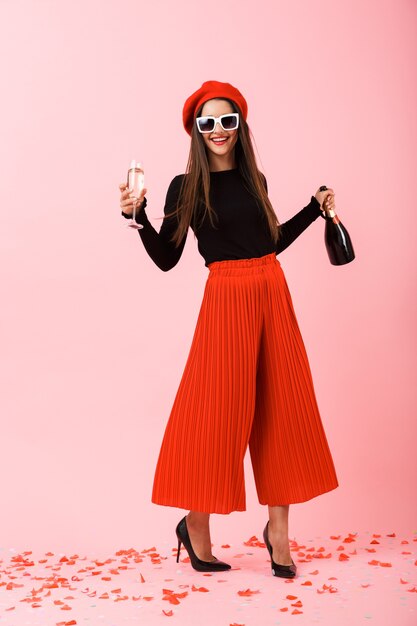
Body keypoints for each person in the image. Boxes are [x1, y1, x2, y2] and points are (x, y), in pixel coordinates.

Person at [119, 80, 339, 579]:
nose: (218, 130)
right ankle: (195, 526)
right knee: (216, 414)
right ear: (195, 131)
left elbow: (270, 241)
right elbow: (167, 260)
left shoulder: (253, 177)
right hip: (225, 298)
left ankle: (278, 534)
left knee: (282, 408)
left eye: (227, 120)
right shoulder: (185, 186)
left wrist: (313, 205)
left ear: (241, 124)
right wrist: (138, 216)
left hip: (272, 292)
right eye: (207, 123)